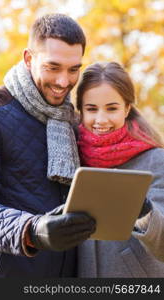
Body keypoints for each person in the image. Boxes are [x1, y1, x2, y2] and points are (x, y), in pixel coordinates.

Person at [0, 13, 96, 278]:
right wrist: (32, 230)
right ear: (29, 59)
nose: (63, 82)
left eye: (73, 69)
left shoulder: (74, 120)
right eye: (53, 67)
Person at [76, 61, 164, 277]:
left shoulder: (155, 160)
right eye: (91, 109)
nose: (101, 119)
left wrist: (145, 211)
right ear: (80, 111)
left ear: (126, 109)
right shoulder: (68, 158)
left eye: (112, 108)